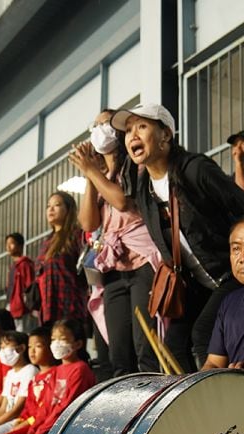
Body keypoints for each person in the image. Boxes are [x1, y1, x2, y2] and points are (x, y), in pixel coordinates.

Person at [111, 103, 244, 371]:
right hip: (196, 284)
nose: (132, 135)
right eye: (128, 130)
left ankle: (212, 400)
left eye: (142, 126)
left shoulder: (195, 169)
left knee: (202, 335)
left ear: (165, 134)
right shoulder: (143, 189)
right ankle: (187, 406)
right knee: (172, 347)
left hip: (232, 273)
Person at [69, 109, 162, 376]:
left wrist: (91, 171)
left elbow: (122, 202)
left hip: (143, 261)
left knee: (145, 344)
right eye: (94, 125)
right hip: (114, 270)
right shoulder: (100, 176)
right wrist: (91, 176)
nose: (99, 130)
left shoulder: (136, 165)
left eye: (105, 124)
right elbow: (88, 223)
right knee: (118, 352)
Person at [36, 192, 88, 326]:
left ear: (68, 209)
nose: (50, 209)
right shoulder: (46, 242)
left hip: (70, 306)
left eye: (57, 205)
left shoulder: (76, 235)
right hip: (47, 309)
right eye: (48, 206)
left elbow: (86, 271)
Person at [4, 232, 36, 332]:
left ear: (20, 245)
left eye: (12, 243)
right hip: (11, 308)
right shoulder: (12, 267)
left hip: (22, 309)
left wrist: (29, 306)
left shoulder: (25, 265)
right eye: (7, 244)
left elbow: (30, 286)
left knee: (23, 335)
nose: (8, 246)